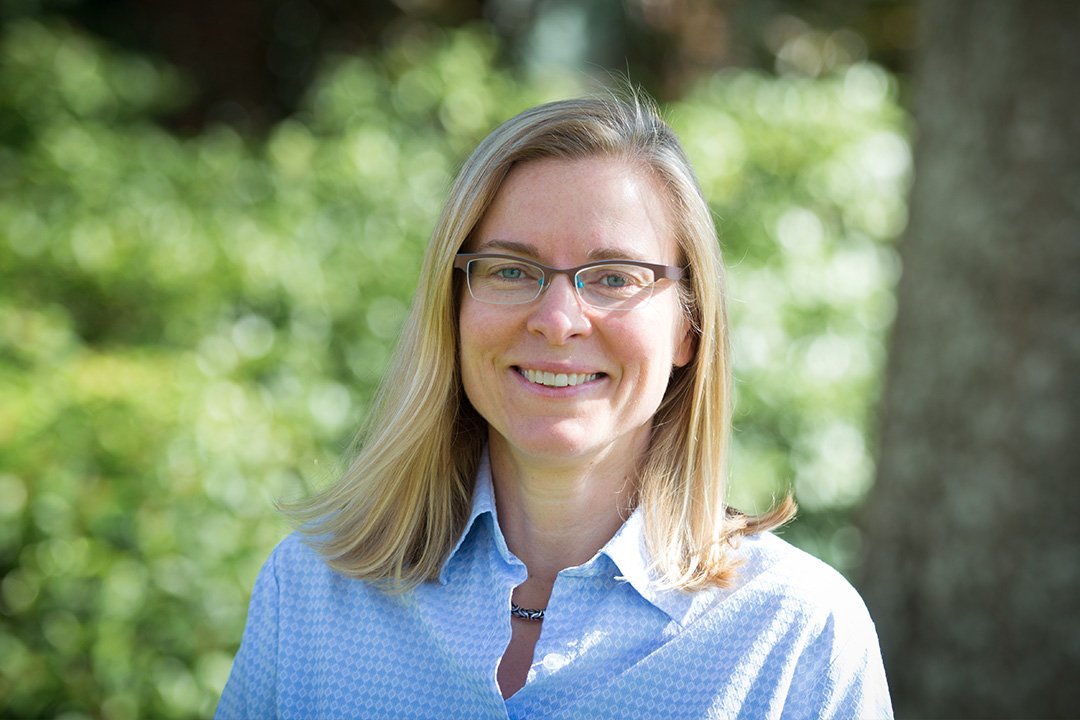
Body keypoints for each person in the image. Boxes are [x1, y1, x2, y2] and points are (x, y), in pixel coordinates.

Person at [215, 93, 893, 719]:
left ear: (689, 327)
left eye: (614, 277)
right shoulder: (311, 594)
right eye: (511, 270)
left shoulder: (796, 635)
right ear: (453, 310)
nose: (559, 320)